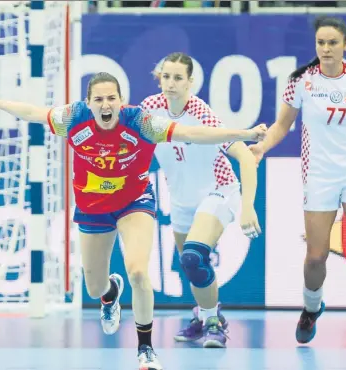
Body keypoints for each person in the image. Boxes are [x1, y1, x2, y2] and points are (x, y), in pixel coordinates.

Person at [0, 73, 266, 369]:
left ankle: (146, 349)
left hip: (133, 201)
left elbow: (192, 134)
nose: (105, 104)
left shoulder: (141, 123)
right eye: (98, 99)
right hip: (92, 206)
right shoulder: (73, 118)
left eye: (111, 98)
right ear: (89, 103)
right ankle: (110, 293)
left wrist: (243, 134)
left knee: (138, 272)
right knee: (93, 287)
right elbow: (33, 113)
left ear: (121, 101)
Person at [249, 16, 346, 348]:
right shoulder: (301, 81)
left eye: (332, 43)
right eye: (320, 43)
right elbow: (282, 126)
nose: (326, 49)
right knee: (316, 257)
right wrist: (261, 148)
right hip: (319, 176)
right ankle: (312, 308)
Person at [139, 52, 262, 348]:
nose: (170, 84)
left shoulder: (201, 113)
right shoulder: (149, 109)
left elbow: (245, 156)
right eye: (166, 77)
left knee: (193, 256)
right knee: (192, 266)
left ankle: (213, 324)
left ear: (190, 82)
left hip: (218, 190)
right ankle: (205, 313)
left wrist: (247, 207)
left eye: (178, 78)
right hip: (180, 198)